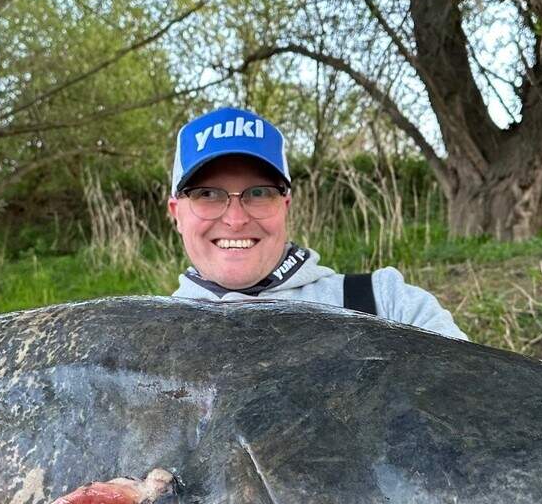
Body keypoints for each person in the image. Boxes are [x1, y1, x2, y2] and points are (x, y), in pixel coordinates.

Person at [167, 107, 468, 340]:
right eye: (206, 193)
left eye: (259, 193)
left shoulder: (386, 304)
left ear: (285, 206)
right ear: (176, 212)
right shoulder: (145, 335)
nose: (235, 219)